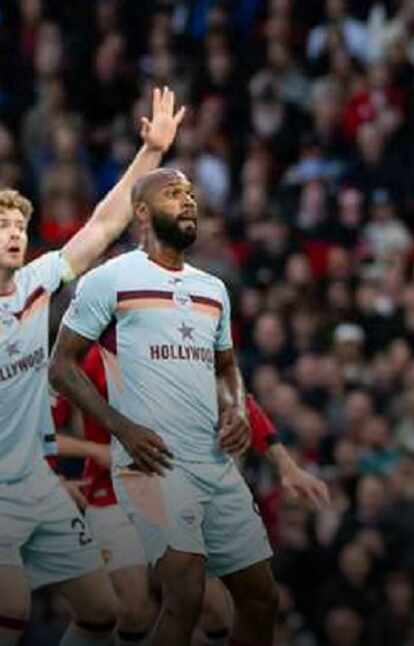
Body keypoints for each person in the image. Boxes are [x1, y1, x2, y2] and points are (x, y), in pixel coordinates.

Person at [49, 167, 278, 646]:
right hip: (150, 461)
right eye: (173, 194)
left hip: (213, 463)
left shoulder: (213, 289)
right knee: (185, 594)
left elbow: (227, 367)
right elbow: (61, 367)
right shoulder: (109, 279)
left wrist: (235, 409)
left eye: (191, 193)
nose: (189, 201)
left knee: (261, 600)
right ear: (141, 213)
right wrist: (122, 429)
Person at [0, 87, 184, 646]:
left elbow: (103, 226)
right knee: (10, 614)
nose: (13, 234)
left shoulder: (33, 286)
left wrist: (150, 153)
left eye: (18, 227)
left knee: (104, 615)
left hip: (40, 483)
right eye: (2, 226)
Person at [52, 344, 329, 646]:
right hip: (110, 494)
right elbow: (35, 425)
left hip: (177, 489)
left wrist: (286, 465)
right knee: (133, 610)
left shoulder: (175, 341)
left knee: (215, 610)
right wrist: (83, 456)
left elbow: (237, 403)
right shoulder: (87, 355)